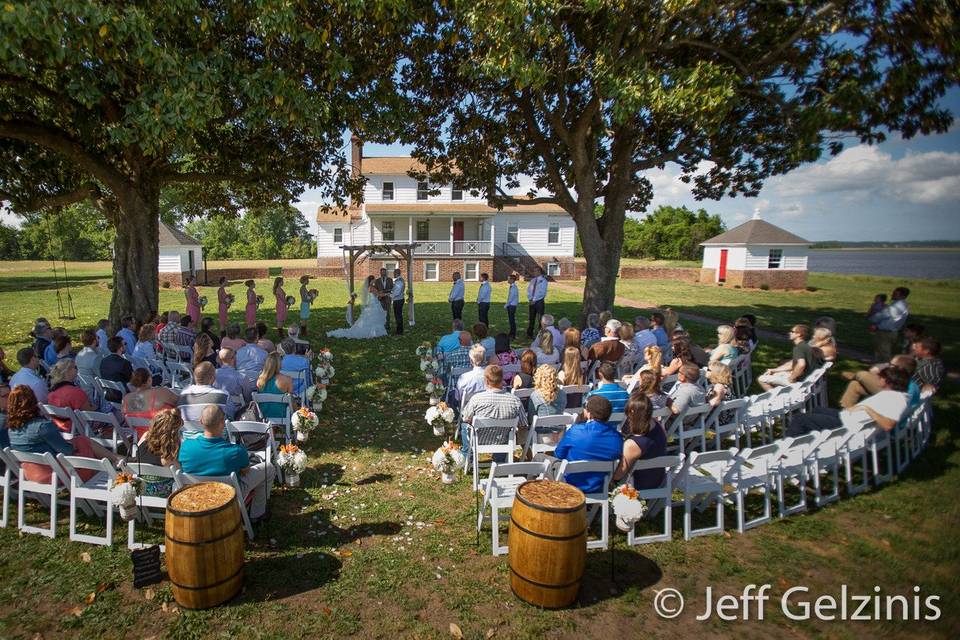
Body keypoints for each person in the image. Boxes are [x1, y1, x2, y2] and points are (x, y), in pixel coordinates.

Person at [178, 405, 275, 519]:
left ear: (201, 422)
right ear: (223, 423)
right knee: (268, 468)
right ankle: (257, 514)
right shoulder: (236, 451)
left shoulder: (186, 446)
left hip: (196, 496)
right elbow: (246, 471)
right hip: (228, 496)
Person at [7, 386, 119, 483]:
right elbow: (67, 451)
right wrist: (73, 445)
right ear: (32, 401)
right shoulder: (43, 426)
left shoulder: (12, 430)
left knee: (81, 440)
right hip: (53, 474)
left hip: (30, 474)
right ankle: (115, 463)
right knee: (84, 442)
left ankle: (117, 460)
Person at [787, 366, 911, 437]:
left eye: (881, 377)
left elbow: (888, 425)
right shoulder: (893, 395)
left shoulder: (897, 399)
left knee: (800, 419)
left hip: (847, 426)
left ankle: (786, 453)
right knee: (818, 410)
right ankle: (809, 443)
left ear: (888, 381)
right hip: (849, 418)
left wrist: (866, 409)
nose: (877, 379)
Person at [553, 395, 622, 493]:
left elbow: (558, 454)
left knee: (540, 459)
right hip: (599, 488)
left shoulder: (576, 431)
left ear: (589, 414)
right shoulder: (617, 438)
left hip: (569, 485)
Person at [460, 365, 528, 460]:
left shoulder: (476, 399)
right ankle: (499, 459)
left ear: (486, 381)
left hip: (478, 439)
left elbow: (466, 418)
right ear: (502, 380)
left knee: (464, 426)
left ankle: (467, 456)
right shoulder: (515, 400)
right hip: (502, 440)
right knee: (508, 432)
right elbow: (523, 424)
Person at [613, 394, 667, 488]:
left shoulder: (633, 444)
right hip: (657, 479)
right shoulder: (657, 425)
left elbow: (617, 475)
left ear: (632, 413)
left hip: (638, 486)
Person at [758, 324, 821, 390]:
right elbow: (793, 366)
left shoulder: (799, 348)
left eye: (792, 332)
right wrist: (774, 370)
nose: (789, 333)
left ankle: (775, 398)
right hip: (807, 379)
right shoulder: (806, 346)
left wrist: (792, 378)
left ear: (799, 334)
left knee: (761, 379)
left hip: (799, 383)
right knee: (776, 374)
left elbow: (801, 365)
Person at [137, 409, 183, 496]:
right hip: (161, 492)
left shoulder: (144, 437)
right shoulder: (167, 458)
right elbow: (181, 473)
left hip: (140, 487)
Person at [123, 368, 179, 437]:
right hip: (164, 437)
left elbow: (127, 421)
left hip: (142, 439)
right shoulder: (161, 392)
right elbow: (180, 401)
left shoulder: (126, 398)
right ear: (149, 379)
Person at [46, 359, 95, 433]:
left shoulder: (51, 393)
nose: (77, 369)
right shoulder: (75, 392)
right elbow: (89, 413)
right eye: (75, 367)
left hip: (60, 428)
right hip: (78, 428)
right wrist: (96, 406)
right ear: (68, 372)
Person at [869, 286, 910, 362]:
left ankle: (883, 369)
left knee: (883, 352)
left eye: (895, 294)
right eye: (893, 293)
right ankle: (879, 367)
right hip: (892, 331)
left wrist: (872, 319)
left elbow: (882, 315)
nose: (892, 295)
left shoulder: (896, 306)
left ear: (902, 296)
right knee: (882, 351)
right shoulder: (904, 304)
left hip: (886, 332)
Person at [255, 352, 294, 420]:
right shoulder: (287, 380)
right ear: (279, 364)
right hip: (282, 415)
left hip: (263, 415)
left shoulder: (259, 380)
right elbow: (291, 402)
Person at [74, 330, 102, 401]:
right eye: (98, 337)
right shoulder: (95, 357)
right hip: (95, 392)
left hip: (83, 387)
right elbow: (101, 376)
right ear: (94, 341)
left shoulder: (79, 354)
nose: (99, 339)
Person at [526, 266, 548, 339]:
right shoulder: (532, 280)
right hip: (532, 301)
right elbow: (529, 290)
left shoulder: (543, 281)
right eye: (534, 271)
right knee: (531, 318)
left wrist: (534, 299)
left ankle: (540, 334)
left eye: (535, 271)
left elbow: (542, 292)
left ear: (539, 272)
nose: (534, 272)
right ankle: (529, 333)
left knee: (540, 318)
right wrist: (530, 298)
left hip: (539, 301)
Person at [504, 273, 519, 339]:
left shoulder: (514, 288)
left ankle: (513, 334)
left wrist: (506, 305)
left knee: (512, 320)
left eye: (509, 279)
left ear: (512, 280)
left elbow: (511, 298)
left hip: (512, 305)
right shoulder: (512, 287)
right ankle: (511, 332)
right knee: (511, 320)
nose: (508, 280)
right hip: (511, 305)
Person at [391, 269, 405, 335]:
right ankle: (399, 330)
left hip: (398, 300)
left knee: (398, 315)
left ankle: (399, 331)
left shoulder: (399, 281)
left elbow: (397, 292)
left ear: (397, 273)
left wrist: (389, 295)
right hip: (398, 299)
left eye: (394, 272)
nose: (393, 274)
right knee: (398, 315)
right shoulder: (398, 280)